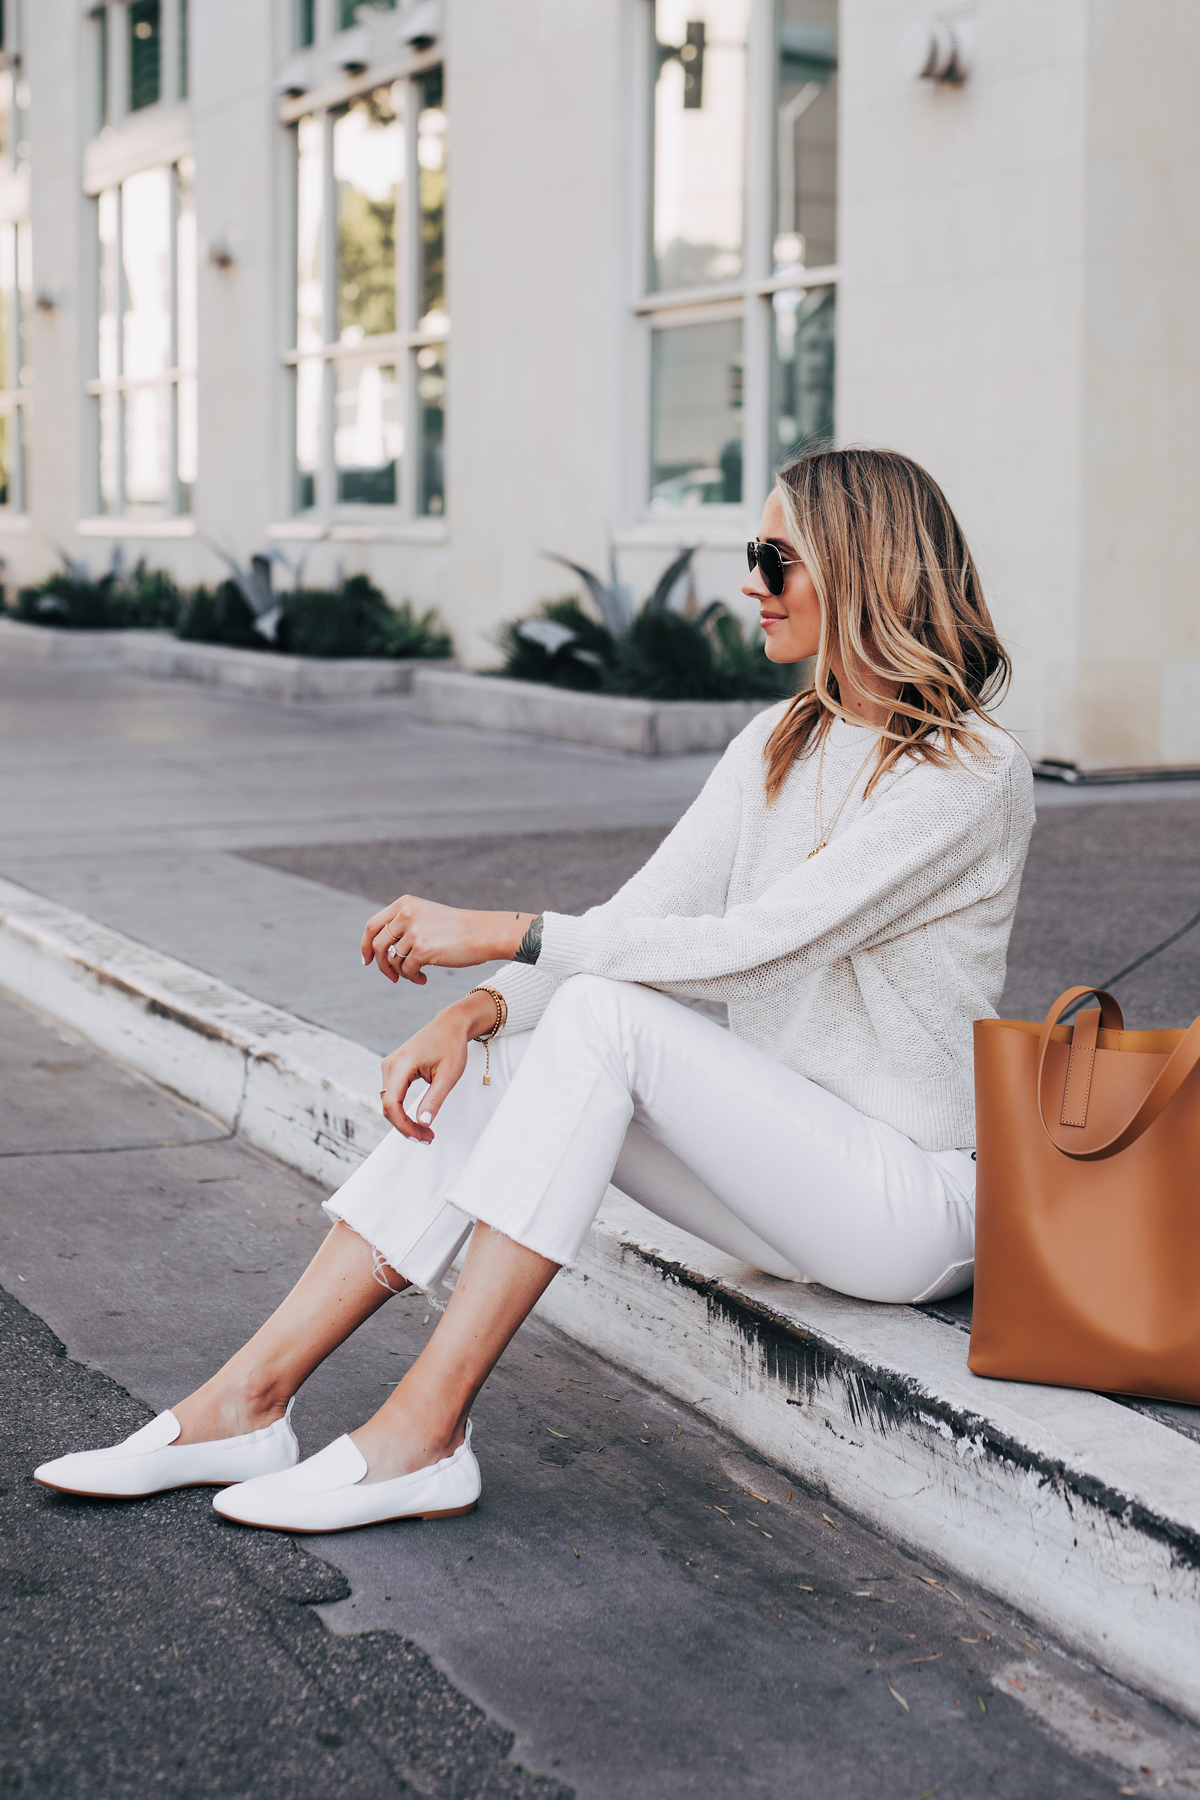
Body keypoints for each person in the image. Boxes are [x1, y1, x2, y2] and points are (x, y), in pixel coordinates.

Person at [35, 447, 1034, 1533]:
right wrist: (480, 1010)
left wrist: (494, 934)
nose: (748, 582)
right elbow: (642, 919)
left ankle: (423, 1429)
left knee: (605, 1019)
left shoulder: (967, 772)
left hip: (910, 1205)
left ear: (863, 569)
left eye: (772, 557)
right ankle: (250, 1397)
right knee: (523, 1046)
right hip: (781, 1182)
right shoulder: (779, 743)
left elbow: (759, 947)